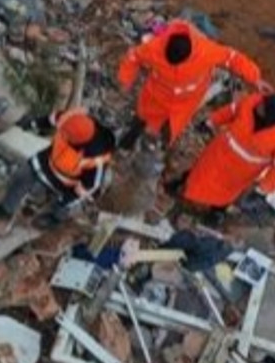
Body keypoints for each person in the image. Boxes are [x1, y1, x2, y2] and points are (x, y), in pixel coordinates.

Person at [117, 19, 267, 149]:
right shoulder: (154, 47)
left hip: (185, 104)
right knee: (142, 118)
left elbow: (232, 58)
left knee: (170, 130)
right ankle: (132, 135)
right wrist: (125, 79)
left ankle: (161, 146)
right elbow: (133, 58)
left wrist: (255, 77)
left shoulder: (206, 51)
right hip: (156, 96)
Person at [0, 109, 115, 224]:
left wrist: (65, 201)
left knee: (62, 206)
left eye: (67, 134)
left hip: (66, 184)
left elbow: (89, 187)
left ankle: (56, 218)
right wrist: (31, 123)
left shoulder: (96, 158)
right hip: (46, 161)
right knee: (22, 176)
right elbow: (51, 119)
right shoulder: (71, 120)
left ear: (77, 142)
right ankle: (5, 209)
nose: (62, 132)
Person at [177, 92, 275, 223]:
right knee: (199, 176)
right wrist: (211, 122)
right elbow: (231, 110)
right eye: (263, 103)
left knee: (224, 196)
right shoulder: (250, 103)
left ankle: (215, 213)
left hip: (238, 174)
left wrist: (263, 189)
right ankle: (184, 188)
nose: (260, 106)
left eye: (264, 108)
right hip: (218, 155)